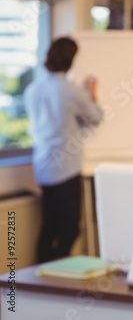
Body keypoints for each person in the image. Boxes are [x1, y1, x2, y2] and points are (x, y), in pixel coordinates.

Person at [24, 37, 104, 263]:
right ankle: (55, 275)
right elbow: (95, 118)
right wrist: (92, 91)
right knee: (70, 230)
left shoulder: (33, 89)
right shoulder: (71, 92)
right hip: (66, 168)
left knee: (49, 226)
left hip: (42, 167)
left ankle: (40, 279)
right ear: (70, 60)